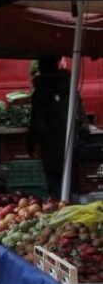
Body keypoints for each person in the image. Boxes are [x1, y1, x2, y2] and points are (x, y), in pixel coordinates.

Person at [27, 56, 87, 199]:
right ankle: (68, 205)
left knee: (54, 183)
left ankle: (58, 209)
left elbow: (37, 121)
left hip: (52, 143)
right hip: (73, 142)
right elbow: (81, 116)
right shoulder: (69, 87)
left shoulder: (42, 92)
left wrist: (31, 142)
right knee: (70, 180)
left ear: (41, 68)